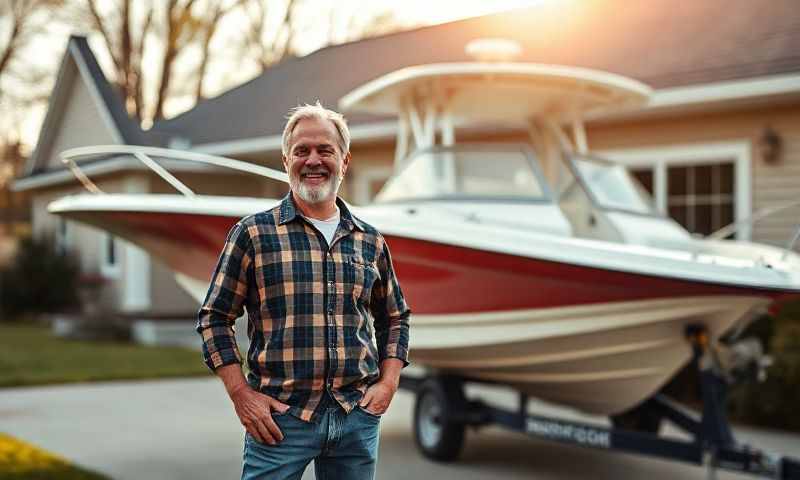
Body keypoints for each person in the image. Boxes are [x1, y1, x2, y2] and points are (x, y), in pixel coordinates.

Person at [196, 102, 411, 480]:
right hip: (280, 421)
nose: (313, 160)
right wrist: (241, 395)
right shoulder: (253, 234)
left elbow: (395, 317)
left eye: (325, 150)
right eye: (302, 151)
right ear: (286, 161)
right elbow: (214, 318)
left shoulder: (370, 241)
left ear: (344, 162)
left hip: (355, 419)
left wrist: (388, 382)